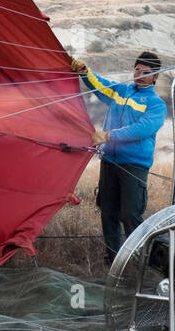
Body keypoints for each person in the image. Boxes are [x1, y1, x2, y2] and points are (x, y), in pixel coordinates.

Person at [70, 50, 168, 266]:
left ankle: (142, 262)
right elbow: (100, 84)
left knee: (130, 215)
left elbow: (141, 129)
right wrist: (85, 72)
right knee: (108, 212)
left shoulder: (157, 105)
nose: (140, 75)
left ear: (155, 77)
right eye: (137, 70)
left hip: (134, 165)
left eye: (146, 72)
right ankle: (114, 261)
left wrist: (108, 136)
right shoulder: (120, 91)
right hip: (110, 161)